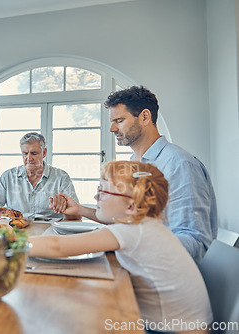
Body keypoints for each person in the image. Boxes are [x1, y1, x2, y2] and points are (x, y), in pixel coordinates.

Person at [30, 161, 212, 333]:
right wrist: (80, 210)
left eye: (103, 192)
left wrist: (9, 243)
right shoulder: (148, 225)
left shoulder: (132, 231)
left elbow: (57, 246)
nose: (96, 197)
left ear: (131, 206)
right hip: (184, 325)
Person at [54, 86, 217, 263]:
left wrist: (122, 242)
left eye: (119, 120)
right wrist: (81, 210)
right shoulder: (134, 163)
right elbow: (130, 221)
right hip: (139, 264)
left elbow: (195, 243)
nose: (112, 128)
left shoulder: (179, 165)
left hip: (164, 276)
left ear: (145, 117)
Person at [0, 132, 81, 220]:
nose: (29, 158)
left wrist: (63, 207)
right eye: (25, 153)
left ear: (44, 153)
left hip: (51, 233)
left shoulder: (61, 177)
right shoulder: (7, 177)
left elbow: (77, 216)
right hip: (16, 232)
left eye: (34, 153)